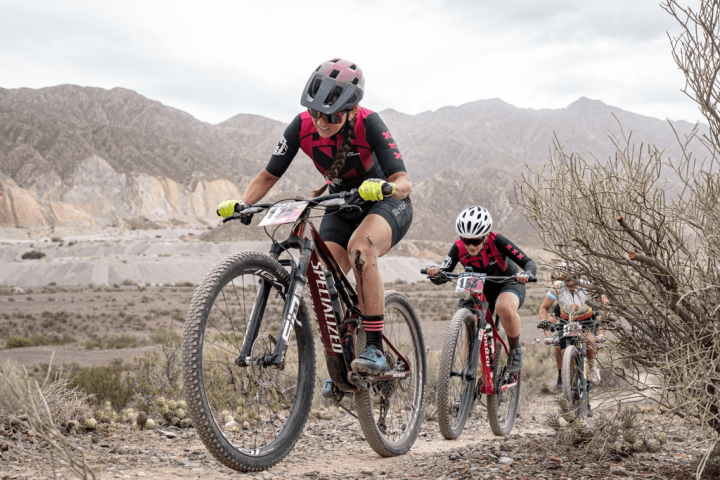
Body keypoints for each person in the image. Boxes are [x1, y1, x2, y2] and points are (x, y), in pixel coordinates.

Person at [216, 58, 413, 377]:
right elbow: (268, 175)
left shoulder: (369, 123)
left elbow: (404, 182)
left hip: (383, 203)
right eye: (314, 111)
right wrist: (243, 204)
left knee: (361, 249)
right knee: (322, 278)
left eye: (331, 115)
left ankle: (375, 348)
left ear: (351, 110)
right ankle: (346, 358)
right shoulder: (301, 127)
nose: (321, 121)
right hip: (340, 204)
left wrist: (385, 187)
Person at [426, 206, 536, 373]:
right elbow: (443, 274)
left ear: (485, 236)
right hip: (481, 287)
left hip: (507, 283)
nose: (471, 246)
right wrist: (435, 274)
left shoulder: (498, 241)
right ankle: (466, 375)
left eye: (476, 241)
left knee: (503, 307)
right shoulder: (458, 248)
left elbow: (528, 262)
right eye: (466, 240)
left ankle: (515, 349)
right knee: (471, 319)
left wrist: (527, 274)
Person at [538, 263, 609, 390]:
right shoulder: (557, 286)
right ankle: (568, 385)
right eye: (567, 280)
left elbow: (602, 299)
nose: (571, 283)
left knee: (589, 343)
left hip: (586, 319)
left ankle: (592, 367)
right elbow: (544, 308)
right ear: (561, 278)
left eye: (574, 279)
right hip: (567, 321)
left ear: (580, 276)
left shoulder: (587, 285)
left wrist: (606, 305)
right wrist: (544, 321)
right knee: (563, 352)